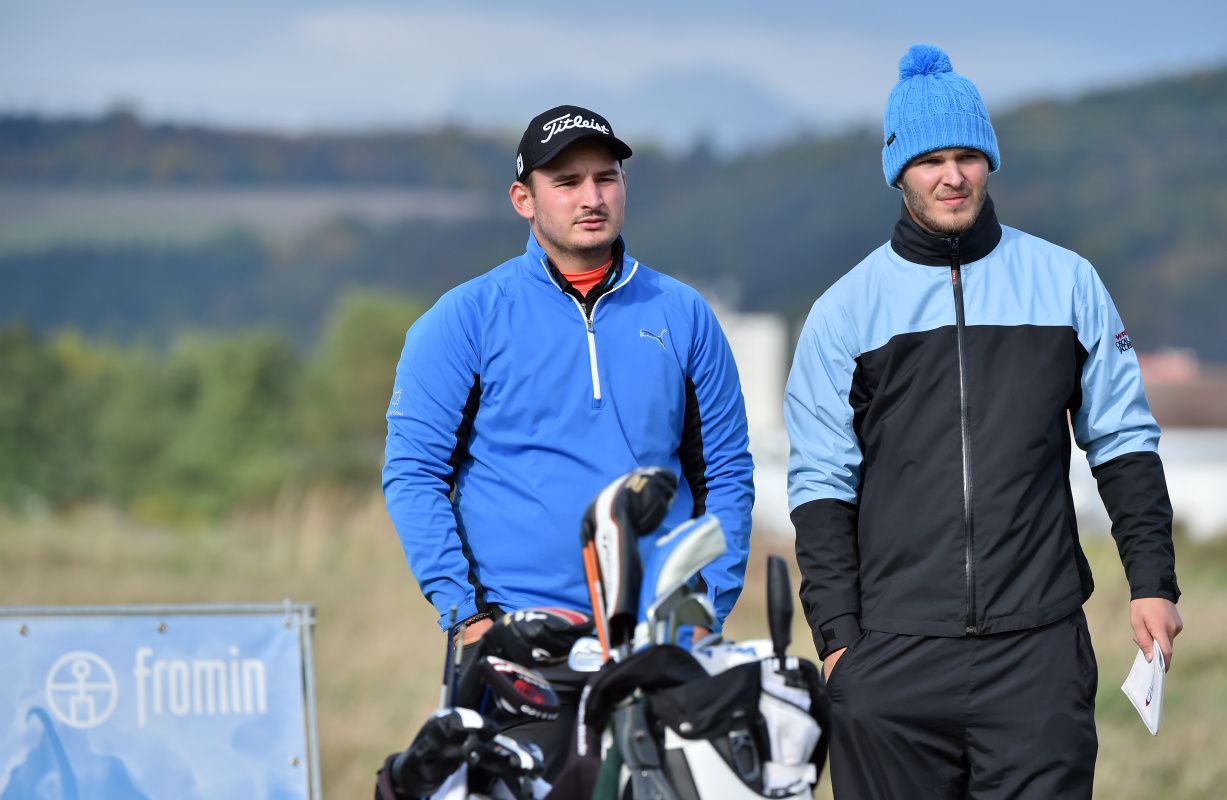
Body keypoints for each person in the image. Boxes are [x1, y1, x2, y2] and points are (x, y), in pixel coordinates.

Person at [784, 44, 1183, 798]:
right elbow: (820, 483)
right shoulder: (843, 311)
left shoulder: (1067, 283)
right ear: (898, 170)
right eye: (930, 160)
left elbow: (1124, 442)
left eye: (967, 155)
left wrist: (1152, 582)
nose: (952, 175)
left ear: (989, 161)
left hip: (1036, 654)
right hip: (891, 657)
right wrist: (839, 646)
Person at [383, 104, 754, 780]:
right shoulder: (464, 318)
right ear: (523, 199)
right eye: (567, 182)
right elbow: (413, 474)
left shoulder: (682, 314)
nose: (591, 197)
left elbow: (725, 473)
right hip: (520, 647)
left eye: (606, 178)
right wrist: (467, 618)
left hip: (661, 642)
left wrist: (706, 607)